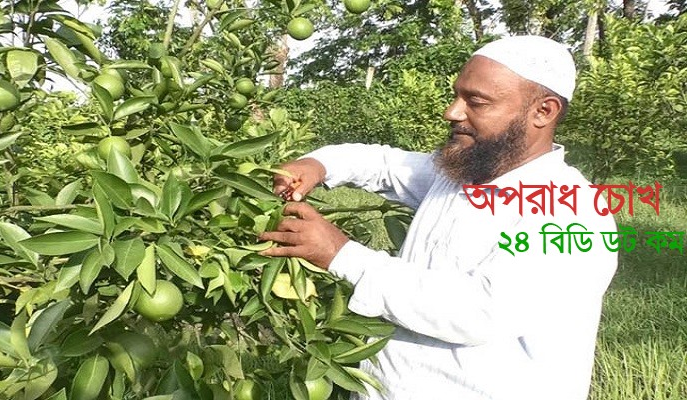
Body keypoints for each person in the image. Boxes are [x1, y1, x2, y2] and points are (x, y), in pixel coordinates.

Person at [258, 35, 618, 400]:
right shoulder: (465, 173)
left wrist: (341, 254)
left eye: (476, 102)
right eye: (457, 95)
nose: (453, 112)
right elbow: (383, 165)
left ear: (544, 111)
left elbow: (478, 311)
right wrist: (318, 164)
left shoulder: (571, 212)